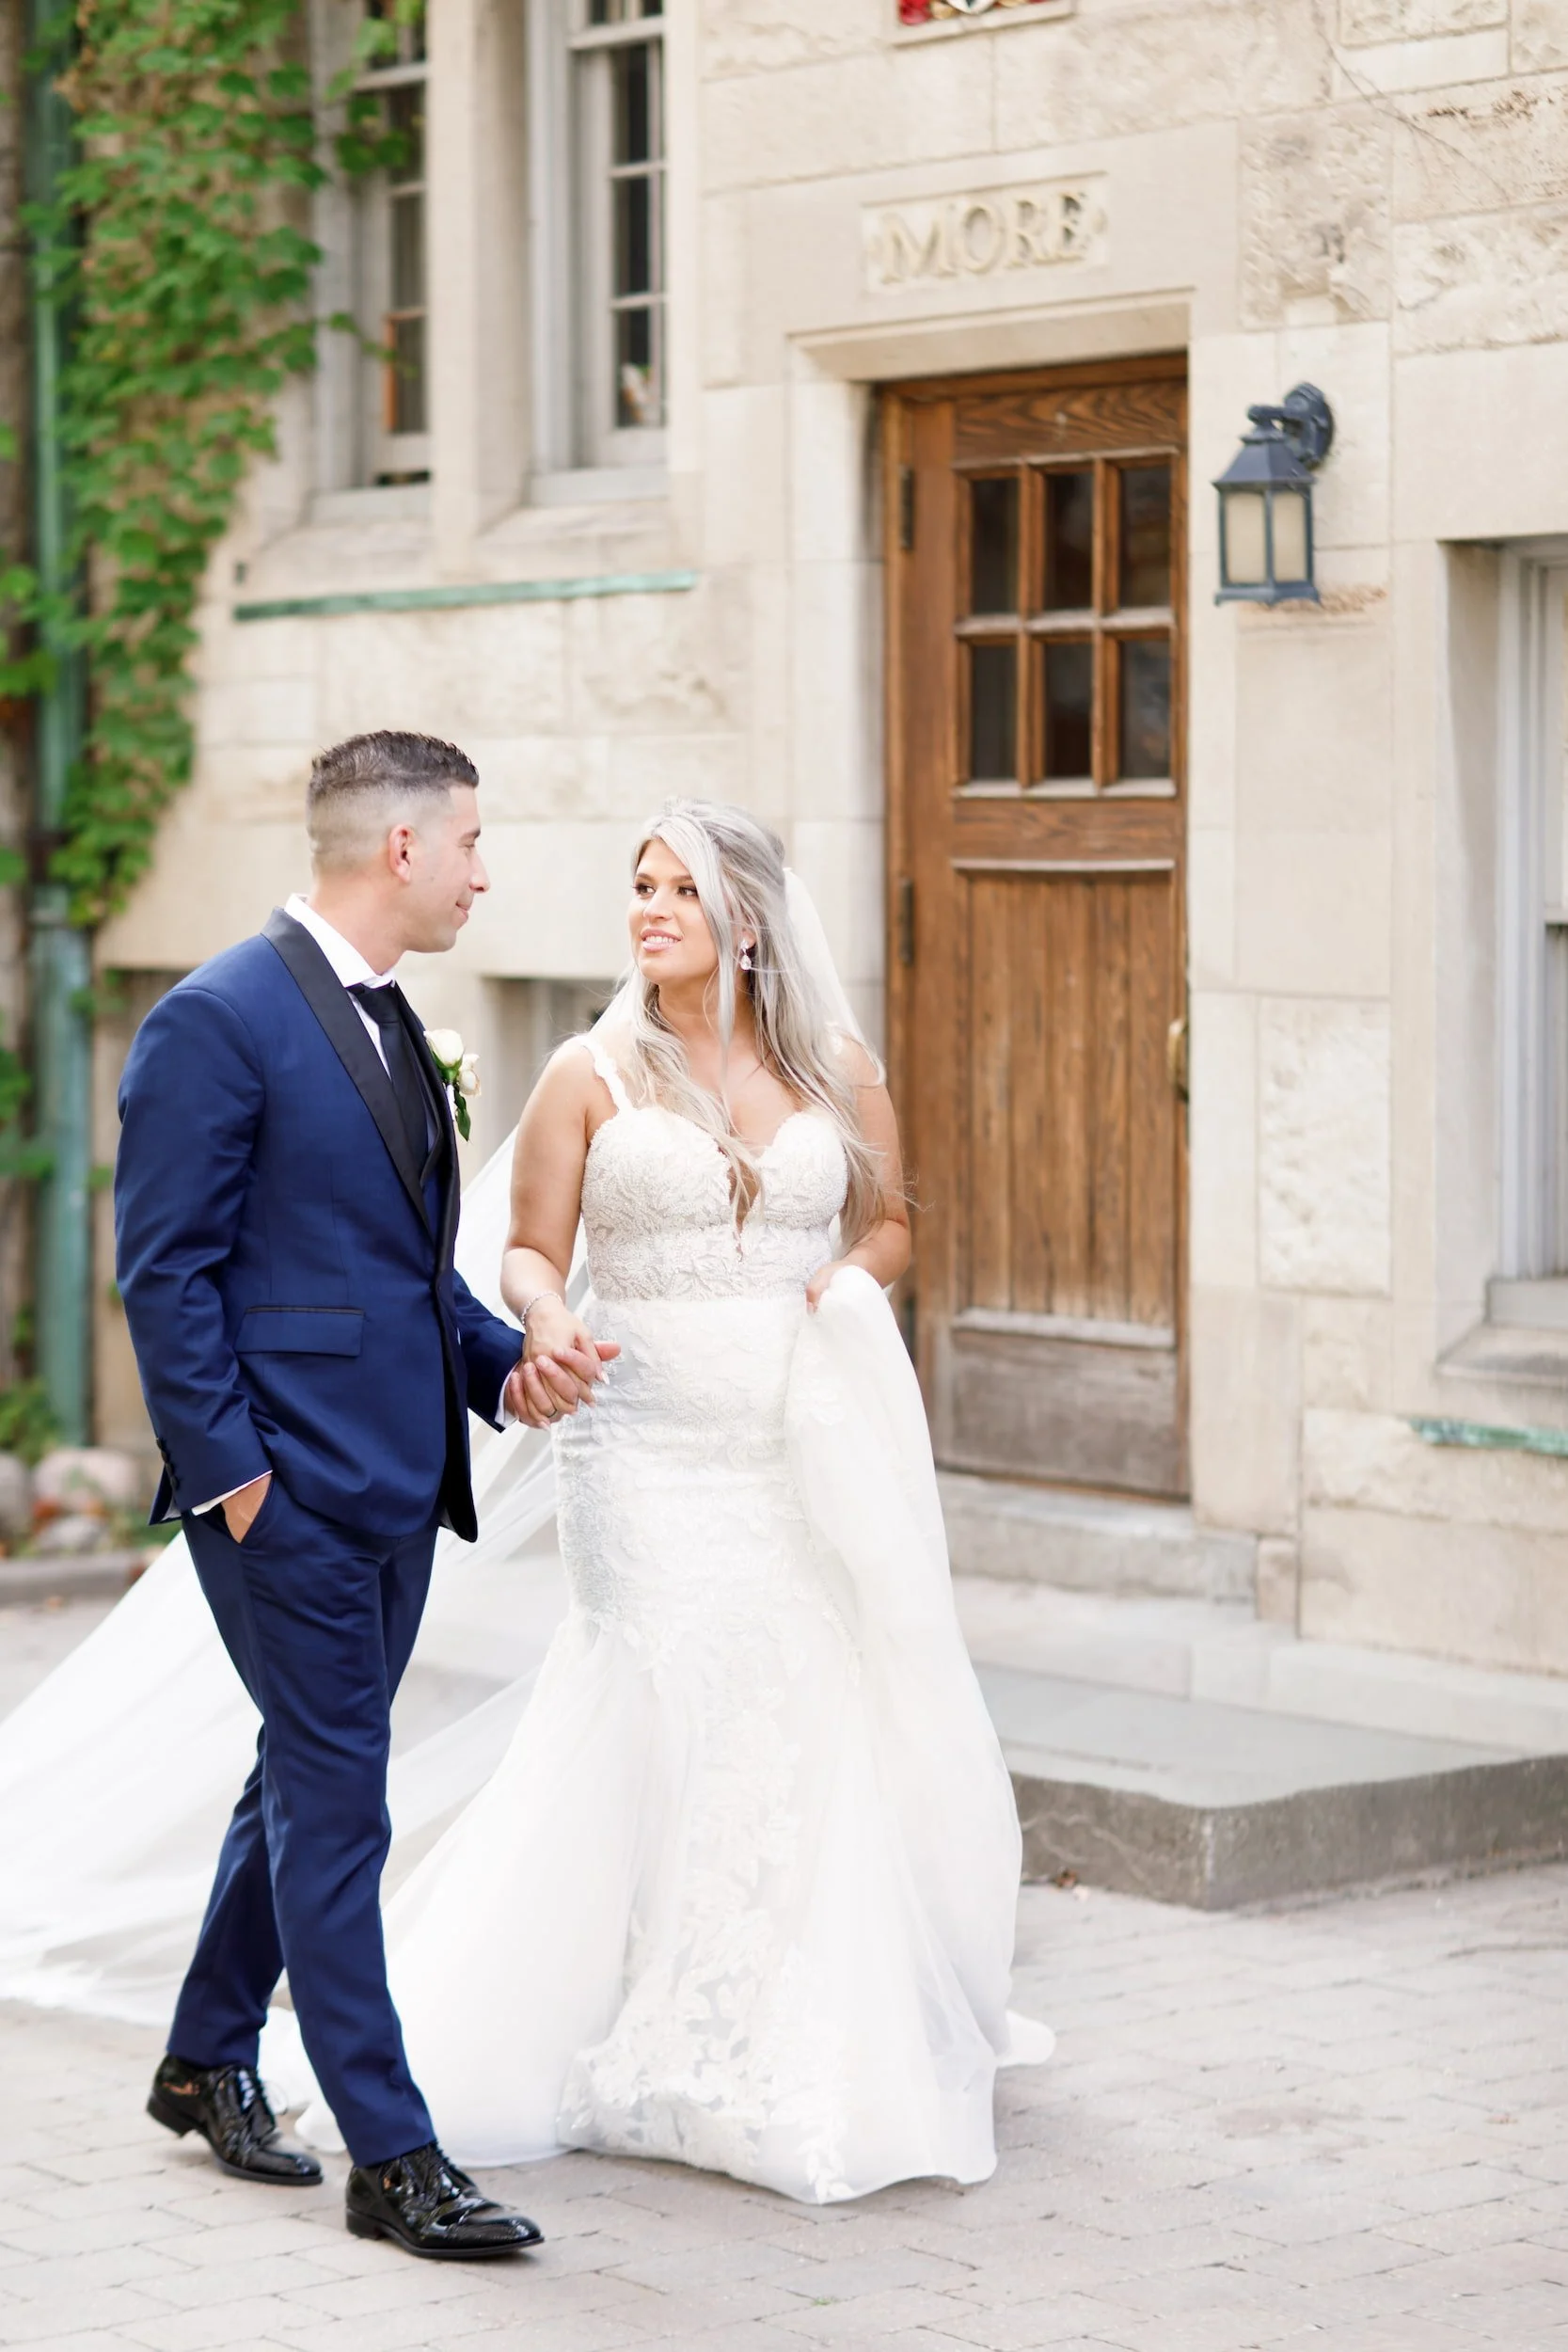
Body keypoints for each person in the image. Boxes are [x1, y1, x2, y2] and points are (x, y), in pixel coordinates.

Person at [262, 798, 1052, 2201]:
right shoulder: (586, 1070)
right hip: (639, 1448)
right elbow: (524, 1253)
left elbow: (891, 1221)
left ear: (746, 920)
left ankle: (771, 2015)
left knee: (797, 1700)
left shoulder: (834, 1066)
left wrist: (844, 1291)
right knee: (658, 1692)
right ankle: (614, 2009)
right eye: (638, 884)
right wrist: (549, 1318)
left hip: (792, 1443)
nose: (648, 909)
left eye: (678, 888)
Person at [112, 730, 569, 2261]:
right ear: (400, 851)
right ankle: (393, 2151)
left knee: (305, 1772)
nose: (483, 874)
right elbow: (163, 1276)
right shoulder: (214, 1019)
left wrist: (505, 1367)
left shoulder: (387, 1022)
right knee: (342, 1801)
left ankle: (201, 2055)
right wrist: (238, 1484)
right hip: (287, 1494)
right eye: (471, 845)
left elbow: (399, 1273)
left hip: (394, 1478)